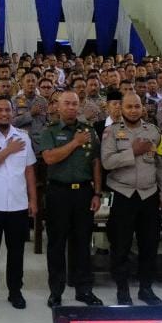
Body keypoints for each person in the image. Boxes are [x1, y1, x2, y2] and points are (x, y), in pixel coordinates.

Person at [100, 92, 162, 306]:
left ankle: (146, 288)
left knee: (149, 244)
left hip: (149, 195)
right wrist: (133, 151)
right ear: (121, 109)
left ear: (142, 108)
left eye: (137, 106)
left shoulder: (154, 131)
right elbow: (107, 162)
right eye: (129, 107)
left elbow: (161, 165)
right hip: (123, 195)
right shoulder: (111, 132)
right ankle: (123, 289)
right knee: (121, 245)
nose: (133, 110)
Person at [38, 90, 103, 308]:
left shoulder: (89, 130)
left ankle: (84, 289)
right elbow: (49, 158)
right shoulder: (50, 131)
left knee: (83, 243)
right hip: (58, 193)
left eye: (75, 104)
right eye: (67, 103)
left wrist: (97, 193)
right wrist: (75, 143)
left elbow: (95, 162)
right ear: (58, 106)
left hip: (83, 193)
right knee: (56, 244)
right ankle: (56, 291)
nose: (71, 107)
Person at [0, 95, 37, 310]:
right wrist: (8, 150)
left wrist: (33, 200)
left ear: (13, 112)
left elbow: (29, 170)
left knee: (17, 252)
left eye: (8, 110)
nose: (4, 114)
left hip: (18, 205)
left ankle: (15, 291)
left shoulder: (23, 136)